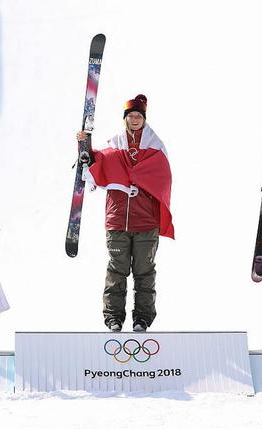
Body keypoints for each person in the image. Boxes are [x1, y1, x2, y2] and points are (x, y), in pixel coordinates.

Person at [76, 94, 174, 333]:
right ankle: (113, 318)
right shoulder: (116, 145)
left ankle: (142, 319)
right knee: (116, 270)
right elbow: (96, 161)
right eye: (131, 115)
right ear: (125, 118)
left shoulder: (155, 147)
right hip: (118, 219)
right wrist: (84, 144)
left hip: (146, 221)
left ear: (144, 118)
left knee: (144, 272)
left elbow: (162, 177)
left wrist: (136, 178)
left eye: (138, 116)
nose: (135, 119)